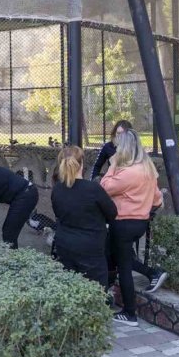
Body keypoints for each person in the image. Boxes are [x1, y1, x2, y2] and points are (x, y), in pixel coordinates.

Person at [100, 130, 168, 326]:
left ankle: (129, 313)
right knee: (118, 256)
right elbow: (157, 198)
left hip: (123, 223)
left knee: (124, 267)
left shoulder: (126, 173)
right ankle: (152, 272)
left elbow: (104, 186)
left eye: (118, 146)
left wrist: (112, 165)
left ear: (124, 148)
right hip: (140, 222)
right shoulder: (146, 169)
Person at [50, 146, 117, 288]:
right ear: (82, 163)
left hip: (64, 243)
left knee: (70, 287)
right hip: (90, 246)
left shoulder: (57, 189)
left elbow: (58, 214)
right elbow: (112, 213)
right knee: (96, 289)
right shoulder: (93, 188)